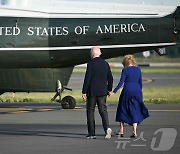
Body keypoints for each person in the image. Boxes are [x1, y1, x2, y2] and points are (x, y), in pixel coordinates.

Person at [110, 55, 149, 138]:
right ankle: (134, 131)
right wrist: (140, 93)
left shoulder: (125, 70)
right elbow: (140, 83)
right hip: (137, 90)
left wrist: (114, 91)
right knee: (135, 109)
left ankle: (121, 130)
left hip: (127, 90)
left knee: (122, 108)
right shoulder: (138, 70)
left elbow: (121, 82)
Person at [82, 47, 113, 139]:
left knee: (90, 112)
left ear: (92, 54)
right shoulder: (105, 64)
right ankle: (107, 128)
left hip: (92, 92)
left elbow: (87, 79)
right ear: (100, 53)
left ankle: (92, 133)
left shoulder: (90, 64)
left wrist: (84, 91)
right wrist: (109, 89)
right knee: (103, 110)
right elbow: (110, 78)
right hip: (103, 91)